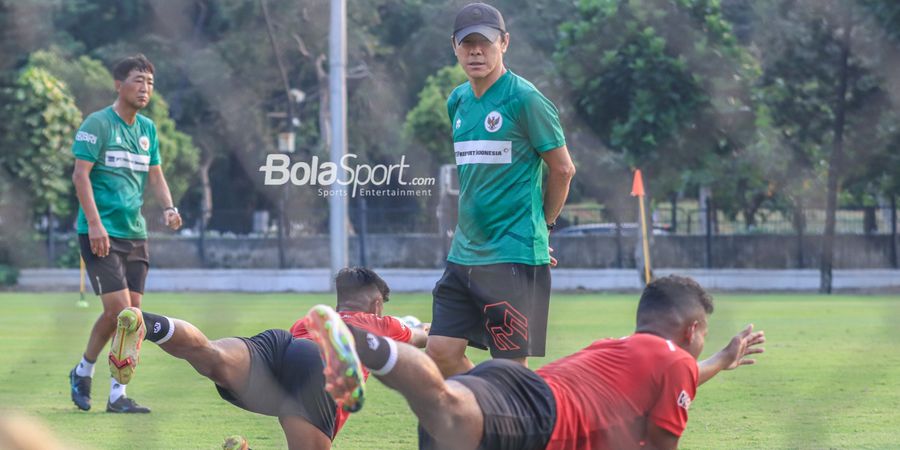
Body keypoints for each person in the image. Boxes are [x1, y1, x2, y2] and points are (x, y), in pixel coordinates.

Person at [312, 275, 766, 450]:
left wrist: (722, 360)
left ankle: (358, 339)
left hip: (513, 389)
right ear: (691, 330)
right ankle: (359, 341)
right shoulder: (673, 363)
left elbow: (677, 383)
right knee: (444, 406)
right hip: (538, 413)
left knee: (444, 408)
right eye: (704, 332)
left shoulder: (620, 347)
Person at [107, 267, 427, 450]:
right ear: (376, 305)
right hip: (319, 370)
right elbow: (427, 336)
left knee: (209, 354)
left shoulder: (307, 322)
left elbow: (294, 361)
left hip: (282, 344)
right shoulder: (381, 324)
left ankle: (147, 323)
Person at [428, 2, 577, 377]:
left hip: (512, 253)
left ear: (504, 43)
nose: (476, 51)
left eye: (486, 43)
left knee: (508, 367)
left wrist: (544, 226)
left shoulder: (525, 100)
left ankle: (514, 426)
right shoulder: (458, 100)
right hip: (464, 252)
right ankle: (479, 410)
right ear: (454, 47)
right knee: (441, 350)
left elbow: (562, 169)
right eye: (467, 44)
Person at [68, 54, 183, 413]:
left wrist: (168, 207)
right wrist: (96, 223)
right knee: (125, 316)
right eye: (137, 80)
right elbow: (80, 176)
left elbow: (155, 175)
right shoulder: (98, 124)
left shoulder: (147, 129)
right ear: (119, 85)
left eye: (149, 81)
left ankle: (99, 382)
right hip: (99, 232)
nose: (145, 87)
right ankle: (95, 380)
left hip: (135, 234)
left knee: (127, 316)